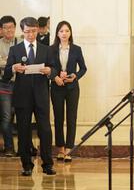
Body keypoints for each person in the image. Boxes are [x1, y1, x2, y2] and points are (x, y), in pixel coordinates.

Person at [3, 17, 57, 176]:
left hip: (41, 96)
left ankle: (47, 164)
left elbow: (54, 69)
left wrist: (50, 72)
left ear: (38, 30)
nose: (31, 35)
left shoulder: (46, 49)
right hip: (22, 96)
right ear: (22, 31)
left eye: (33, 31)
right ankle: (26, 165)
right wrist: (13, 67)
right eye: (27, 32)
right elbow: (6, 75)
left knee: (45, 130)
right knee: (24, 131)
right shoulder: (15, 50)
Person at [50, 21, 87, 162]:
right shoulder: (51, 49)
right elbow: (48, 68)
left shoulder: (76, 49)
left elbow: (83, 68)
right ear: (57, 34)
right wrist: (55, 77)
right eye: (61, 31)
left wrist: (75, 76)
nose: (64, 33)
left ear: (70, 33)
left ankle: (69, 149)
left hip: (72, 88)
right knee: (58, 118)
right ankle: (60, 148)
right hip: (56, 87)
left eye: (67, 31)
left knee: (71, 118)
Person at [0, 15, 22, 157]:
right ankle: (9, 148)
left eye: (12, 27)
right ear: (1, 30)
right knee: (6, 117)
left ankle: (24, 148)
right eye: (6, 27)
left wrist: (5, 62)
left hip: (21, 84)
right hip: (5, 85)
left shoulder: (21, 42)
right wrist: (11, 64)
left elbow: (25, 63)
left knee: (22, 116)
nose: (9, 30)